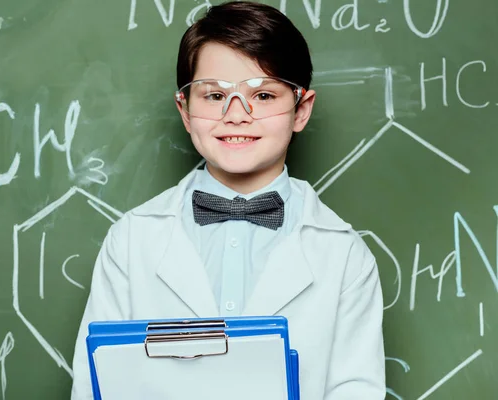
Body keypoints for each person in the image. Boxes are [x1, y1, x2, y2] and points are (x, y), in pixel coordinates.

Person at [71, 1, 385, 399]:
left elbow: (356, 390)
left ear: (301, 109)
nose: (236, 115)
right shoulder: (132, 240)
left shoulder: (343, 254)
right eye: (215, 95)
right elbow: (94, 386)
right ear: (185, 111)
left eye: (265, 96)